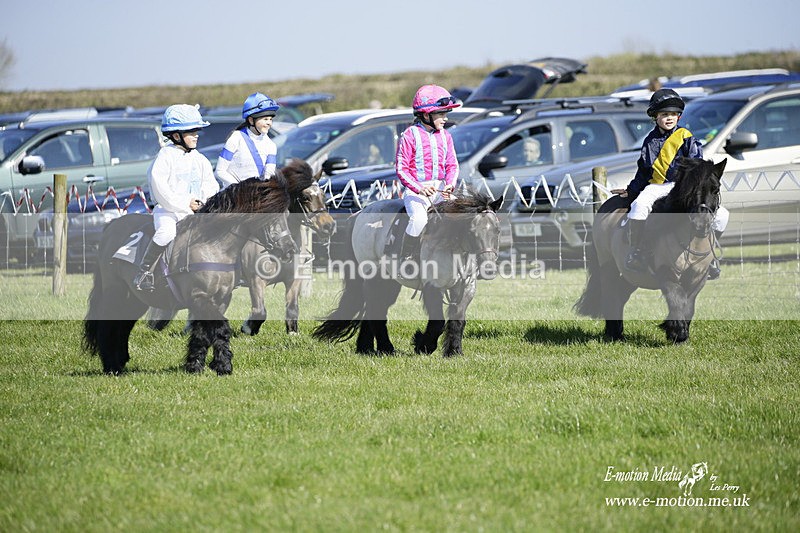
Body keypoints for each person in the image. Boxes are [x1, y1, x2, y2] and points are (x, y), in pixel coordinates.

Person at [624, 89, 728, 278]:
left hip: (683, 188)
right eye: (664, 114)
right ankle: (637, 252)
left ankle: (710, 256)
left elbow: (697, 167)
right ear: (655, 117)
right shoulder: (649, 141)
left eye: (673, 114)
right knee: (639, 206)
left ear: (679, 116)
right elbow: (643, 172)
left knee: (722, 216)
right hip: (657, 187)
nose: (669, 118)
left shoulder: (686, 137)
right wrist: (631, 191)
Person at [133, 104, 220, 291]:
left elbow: (211, 184)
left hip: (196, 211)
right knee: (167, 233)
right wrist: (185, 203)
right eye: (191, 131)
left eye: (196, 130)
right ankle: (144, 272)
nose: (196, 135)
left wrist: (203, 201)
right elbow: (160, 189)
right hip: (168, 211)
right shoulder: (165, 156)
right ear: (176, 135)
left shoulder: (199, 158)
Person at [395, 84, 461, 264]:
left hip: (441, 189)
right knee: (419, 219)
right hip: (416, 191)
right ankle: (407, 257)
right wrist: (419, 189)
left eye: (445, 114)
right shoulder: (409, 135)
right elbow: (402, 169)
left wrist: (449, 184)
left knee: (462, 216)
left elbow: (452, 164)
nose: (445, 118)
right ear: (426, 115)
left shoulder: (446, 136)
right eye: (441, 114)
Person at [215, 92, 280, 187]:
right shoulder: (236, 138)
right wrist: (240, 189)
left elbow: (269, 173)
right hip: (233, 195)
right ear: (251, 120)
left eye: (270, 119)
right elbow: (220, 171)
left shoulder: (271, 145)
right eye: (265, 119)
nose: (269, 123)